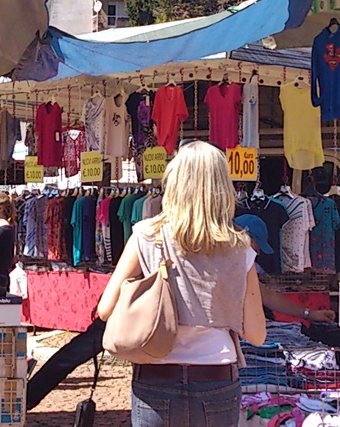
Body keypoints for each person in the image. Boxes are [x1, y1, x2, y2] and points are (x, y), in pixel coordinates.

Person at [97, 141, 266, 427]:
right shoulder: (240, 247)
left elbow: (105, 309)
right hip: (217, 378)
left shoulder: (145, 236)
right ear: (222, 187)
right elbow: (257, 334)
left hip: (155, 374)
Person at [233, 214, 336, 324]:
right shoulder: (226, 266)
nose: (258, 253)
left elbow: (267, 295)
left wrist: (310, 314)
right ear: (248, 240)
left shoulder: (238, 267)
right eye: (257, 247)